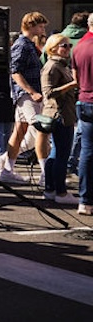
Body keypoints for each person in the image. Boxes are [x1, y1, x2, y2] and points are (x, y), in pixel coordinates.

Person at [0, 12, 49, 183]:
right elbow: (15, 72)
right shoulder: (22, 45)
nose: (42, 29)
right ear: (31, 25)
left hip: (25, 94)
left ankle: (6, 167)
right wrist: (32, 92)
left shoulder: (26, 44)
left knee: (20, 132)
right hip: (26, 94)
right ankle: (45, 175)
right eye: (40, 26)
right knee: (41, 130)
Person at [40, 34, 78, 205]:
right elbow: (48, 92)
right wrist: (72, 84)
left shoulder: (61, 65)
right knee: (61, 154)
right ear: (53, 48)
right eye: (64, 45)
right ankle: (60, 192)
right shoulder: (52, 66)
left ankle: (51, 189)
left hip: (64, 113)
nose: (68, 49)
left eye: (69, 45)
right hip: (59, 115)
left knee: (56, 154)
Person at [73, 25, 93, 216]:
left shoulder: (79, 46)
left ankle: (85, 201)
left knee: (87, 151)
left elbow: (75, 78)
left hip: (84, 100)